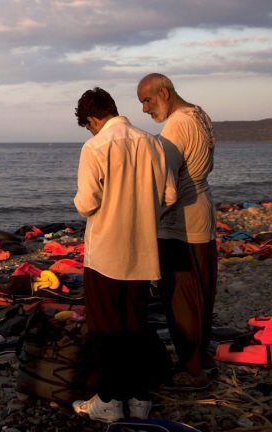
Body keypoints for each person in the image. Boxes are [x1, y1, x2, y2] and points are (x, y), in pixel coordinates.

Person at [71, 87, 174, 423]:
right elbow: (170, 195)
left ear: (93, 119)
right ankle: (139, 397)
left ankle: (110, 400)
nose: (90, 130)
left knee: (106, 329)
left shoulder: (96, 146)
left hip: (105, 254)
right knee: (135, 325)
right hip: (143, 251)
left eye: (88, 125)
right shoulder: (153, 143)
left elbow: (87, 203)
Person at [136, 73, 217, 389]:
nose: (144, 109)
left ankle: (192, 369)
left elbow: (163, 182)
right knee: (201, 289)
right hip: (202, 210)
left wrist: (144, 219)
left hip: (180, 220)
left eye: (147, 99)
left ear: (164, 92)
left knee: (181, 295)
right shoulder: (200, 114)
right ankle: (200, 355)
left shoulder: (176, 126)